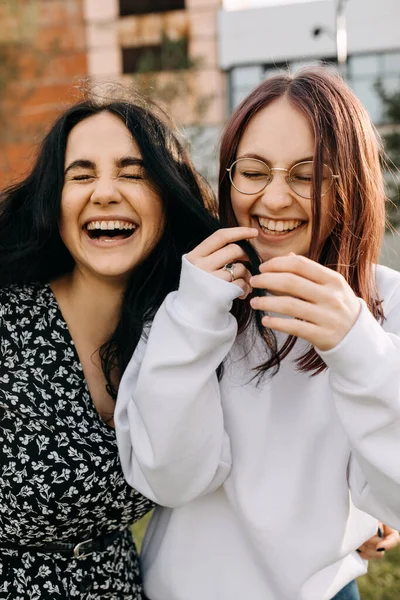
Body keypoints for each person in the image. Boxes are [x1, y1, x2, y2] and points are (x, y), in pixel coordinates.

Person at [115, 68, 400, 600]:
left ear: (349, 186)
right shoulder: (191, 297)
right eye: (253, 171)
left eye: (305, 174)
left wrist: (356, 346)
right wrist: (194, 318)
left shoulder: (388, 307)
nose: (274, 199)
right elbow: (170, 478)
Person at [0, 91, 231, 598]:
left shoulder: (181, 327)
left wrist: (360, 521)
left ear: (167, 199)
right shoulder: (7, 320)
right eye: (80, 175)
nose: (105, 192)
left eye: (132, 173)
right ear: (52, 201)